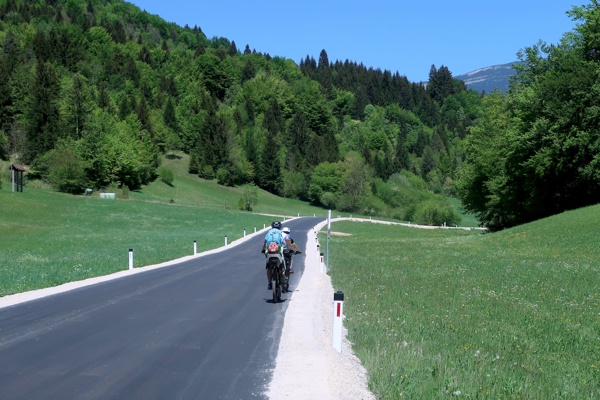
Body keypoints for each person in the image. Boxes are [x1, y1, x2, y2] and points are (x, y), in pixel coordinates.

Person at [261, 221, 284, 290]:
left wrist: (263, 250)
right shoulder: (280, 232)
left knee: (269, 267)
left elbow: (265, 243)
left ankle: (269, 283)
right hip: (278, 252)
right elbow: (283, 242)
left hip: (269, 252)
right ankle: (281, 278)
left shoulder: (268, 232)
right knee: (281, 266)